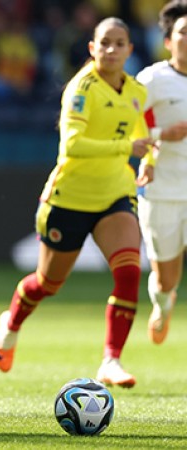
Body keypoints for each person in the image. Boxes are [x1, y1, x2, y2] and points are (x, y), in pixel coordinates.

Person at [0, 17, 153, 388]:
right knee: (47, 284)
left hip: (115, 195)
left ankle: (111, 360)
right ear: (92, 48)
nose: (112, 49)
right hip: (69, 199)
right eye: (105, 43)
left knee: (129, 271)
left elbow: (146, 135)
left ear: (130, 49)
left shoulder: (136, 92)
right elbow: (73, 146)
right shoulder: (82, 88)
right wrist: (127, 148)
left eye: (120, 43)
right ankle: (11, 322)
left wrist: (149, 162)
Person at [135, 0, 187, 345]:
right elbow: (128, 130)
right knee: (165, 278)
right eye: (184, 32)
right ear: (169, 41)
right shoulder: (152, 80)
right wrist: (161, 137)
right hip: (163, 190)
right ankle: (163, 303)